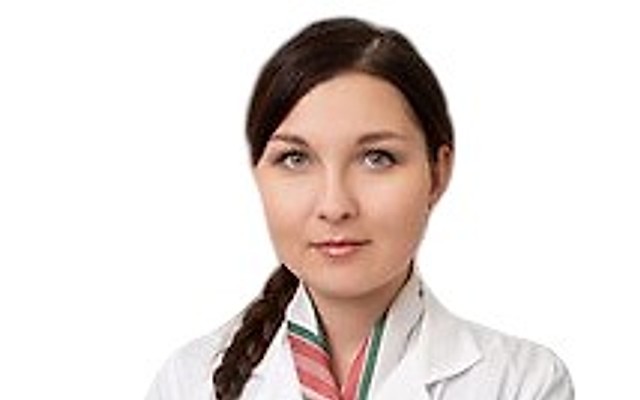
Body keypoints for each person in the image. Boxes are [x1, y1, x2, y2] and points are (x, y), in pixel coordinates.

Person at [145, 17, 574, 400]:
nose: (335, 206)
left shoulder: (522, 384)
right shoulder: (188, 383)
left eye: (377, 158)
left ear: (438, 172)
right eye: (295, 158)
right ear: (257, 173)